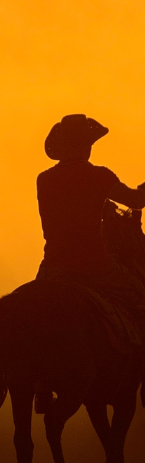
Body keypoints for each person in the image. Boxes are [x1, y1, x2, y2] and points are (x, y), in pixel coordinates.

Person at [34, 113, 145, 411]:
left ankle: (40, 386)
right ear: (86, 146)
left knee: (36, 314)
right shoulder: (100, 177)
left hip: (53, 269)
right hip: (95, 268)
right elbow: (135, 202)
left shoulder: (44, 179)